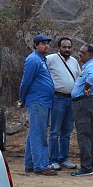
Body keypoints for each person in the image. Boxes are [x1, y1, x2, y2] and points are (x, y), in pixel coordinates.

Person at [18, 34, 56, 175]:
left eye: (47, 43)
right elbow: (26, 81)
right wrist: (22, 99)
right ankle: (40, 166)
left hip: (43, 100)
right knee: (39, 133)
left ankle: (30, 164)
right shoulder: (33, 60)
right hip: (37, 100)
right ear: (35, 45)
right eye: (43, 43)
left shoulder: (41, 60)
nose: (46, 46)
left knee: (34, 132)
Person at [46, 37, 81, 170]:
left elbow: (78, 78)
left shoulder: (74, 61)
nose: (67, 49)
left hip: (71, 99)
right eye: (64, 47)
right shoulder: (51, 59)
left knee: (67, 131)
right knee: (54, 131)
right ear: (58, 48)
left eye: (69, 47)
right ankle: (53, 160)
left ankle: (64, 159)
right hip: (57, 98)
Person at [70, 44, 93, 176]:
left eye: (82, 52)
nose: (80, 54)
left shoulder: (91, 66)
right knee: (89, 134)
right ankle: (92, 165)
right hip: (90, 102)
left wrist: (86, 88)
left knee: (83, 135)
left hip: (84, 102)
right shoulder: (92, 65)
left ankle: (86, 167)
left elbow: (91, 78)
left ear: (90, 54)